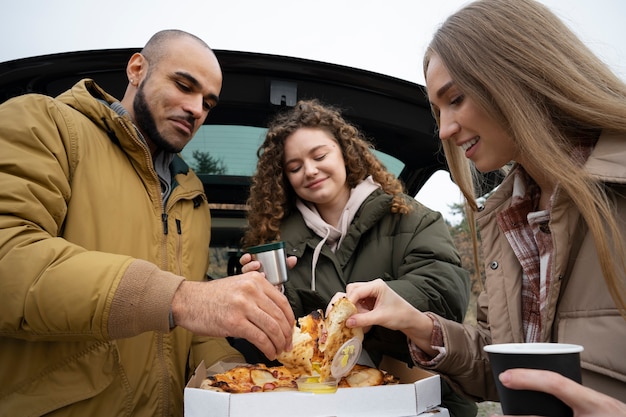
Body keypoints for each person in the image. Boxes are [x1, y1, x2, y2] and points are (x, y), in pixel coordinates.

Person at [339, 0, 626, 414]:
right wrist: (415, 323)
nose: (443, 129)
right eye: (438, 110)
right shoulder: (505, 217)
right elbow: (502, 370)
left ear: (520, 72)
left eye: (455, 98)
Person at [0, 30, 294, 417]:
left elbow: (191, 328)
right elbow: (11, 261)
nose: (196, 109)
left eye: (207, 102)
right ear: (137, 69)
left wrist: (238, 377)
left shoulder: (193, 194)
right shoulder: (44, 122)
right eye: (184, 85)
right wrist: (182, 298)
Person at [240, 99, 477, 416]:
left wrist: (370, 308)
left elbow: (446, 297)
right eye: (294, 167)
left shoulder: (409, 216)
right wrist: (267, 297)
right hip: (318, 406)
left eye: (319, 155)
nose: (310, 170)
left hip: (418, 400)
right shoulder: (274, 245)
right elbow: (274, 348)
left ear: (344, 151)